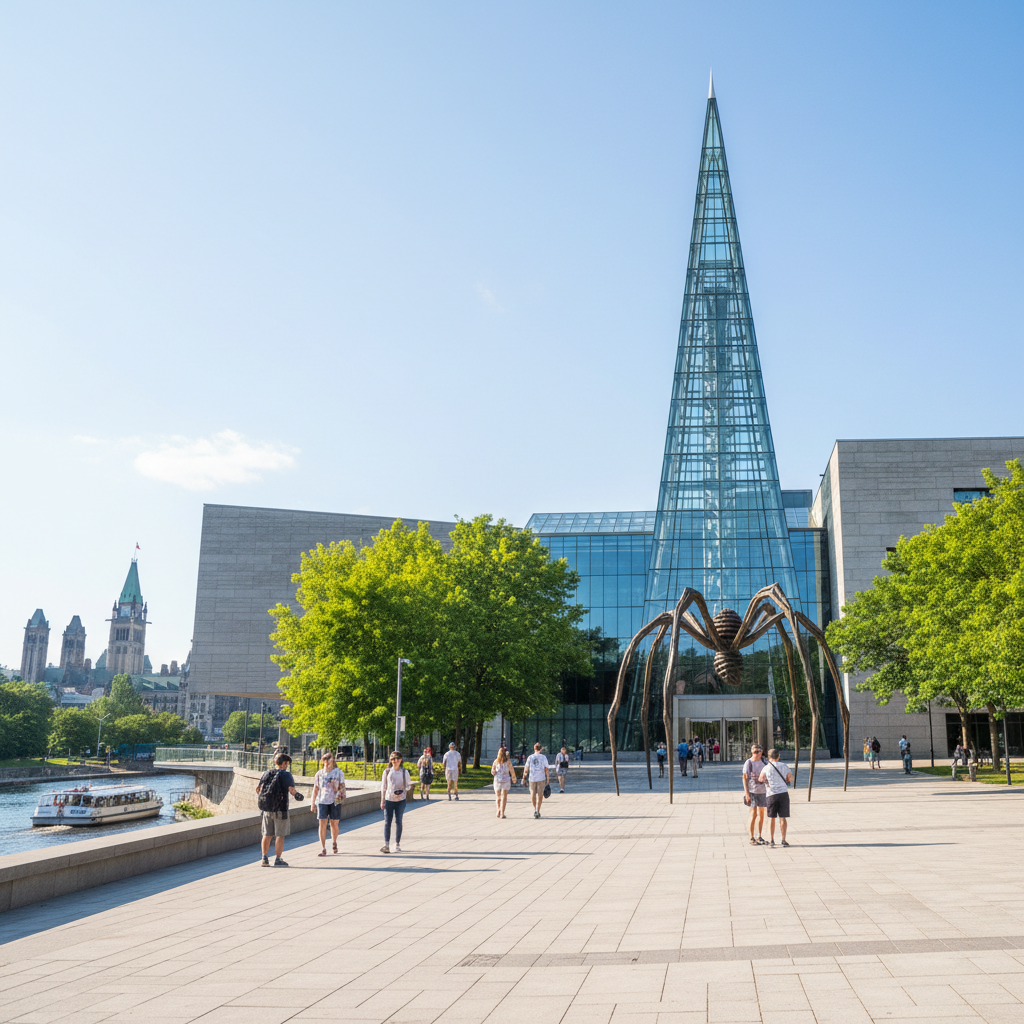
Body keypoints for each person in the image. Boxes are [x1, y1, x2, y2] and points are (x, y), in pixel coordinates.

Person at [257, 751, 303, 867]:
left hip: (267, 809)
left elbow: (258, 789)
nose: (287, 765)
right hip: (281, 809)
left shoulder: (266, 773)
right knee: (280, 835)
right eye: (287, 763)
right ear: (285, 763)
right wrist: (298, 796)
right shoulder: (286, 775)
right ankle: (278, 859)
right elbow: (292, 790)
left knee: (267, 834)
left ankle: (264, 858)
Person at [311, 751, 345, 857]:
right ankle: (323, 847)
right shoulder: (319, 774)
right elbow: (315, 789)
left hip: (335, 800)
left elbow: (342, 786)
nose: (326, 761)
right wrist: (312, 803)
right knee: (322, 823)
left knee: (334, 823)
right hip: (322, 800)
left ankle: (334, 841)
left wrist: (340, 793)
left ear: (333, 759)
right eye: (324, 759)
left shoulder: (338, 772)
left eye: (328, 758)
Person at [757, 748, 793, 847]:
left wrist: (766, 781)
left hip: (771, 794)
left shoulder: (766, 768)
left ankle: (772, 840)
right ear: (779, 756)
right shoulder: (784, 766)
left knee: (771, 817)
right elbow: (790, 778)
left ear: (769, 757)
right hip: (783, 794)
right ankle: (783, 840)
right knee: (783, 818)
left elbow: (760, 779)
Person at [380, 751, 411, 853]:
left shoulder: (404, 772)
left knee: (398, 821)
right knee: (387, 822)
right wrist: (382, 800)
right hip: (389, 799)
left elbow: (408, 786)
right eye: (392, 759)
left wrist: (405, 788)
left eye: (397, 758)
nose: (395, 761)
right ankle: (386, 844)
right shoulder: (387, 772)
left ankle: (397, 844)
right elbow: (383, 787)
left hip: (400, 800)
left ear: (401, 760)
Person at [742, 743, 768, 845]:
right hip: (752, 791)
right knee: (753, 814)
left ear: (761, 752)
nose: (754, 754)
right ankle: (751, 837)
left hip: (763, 791)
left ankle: (759, 835)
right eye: (753, 752)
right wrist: (747, 793)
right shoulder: (748, 762)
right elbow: (745, 778)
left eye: (756, 752)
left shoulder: (765, 762)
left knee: (762, 814)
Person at [521, 742, 550, 818]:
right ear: (541, 749)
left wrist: (523, 778)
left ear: (534, 748)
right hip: (541, 778)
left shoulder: (530, 757)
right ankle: (538, 810)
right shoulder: (543, 757)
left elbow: (526, 769)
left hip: (532, 778)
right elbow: (546, 769)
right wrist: (548, 780)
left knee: (533, 794)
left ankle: (535, 810)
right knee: (540, 795)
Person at [491, 746, 516, 817]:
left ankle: (498, 809)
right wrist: (514, 777)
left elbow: (492, 771)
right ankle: (502, 812)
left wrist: (495, 772)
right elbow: (512, 770)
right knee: (504, 797)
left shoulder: (496, 761)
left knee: (498, 797)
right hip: (506, 780)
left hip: (497, 780)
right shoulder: (508, 762)